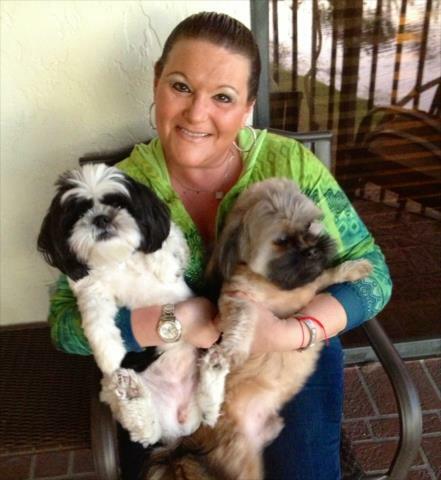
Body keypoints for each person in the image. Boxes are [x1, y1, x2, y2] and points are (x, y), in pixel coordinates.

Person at [47, 11, 392, 480]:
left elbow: (373, 274)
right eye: (181, 87)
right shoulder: (120, 190)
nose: (196, 114)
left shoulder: (289, 164)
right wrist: (172, 322)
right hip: (169, 375)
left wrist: (291, 333)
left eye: (223, 97)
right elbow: (64, 325)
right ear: (156, 81)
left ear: (248, 106)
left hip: (283, 357)